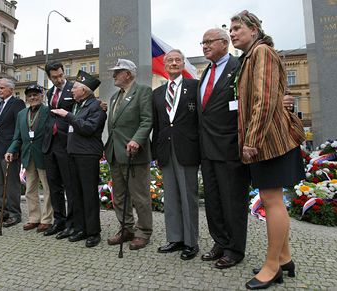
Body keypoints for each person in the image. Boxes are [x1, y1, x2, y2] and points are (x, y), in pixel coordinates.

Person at [230, 10, 305, 289]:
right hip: (267, 139)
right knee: (270, 198)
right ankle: (284, 258)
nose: (233, 33)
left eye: (238, 28)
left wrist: (252, 140)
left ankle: (272, 267)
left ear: (254, 30)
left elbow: (264, 100)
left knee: (272, 202)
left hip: (270, 141)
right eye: (231, 30)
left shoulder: (262, 53)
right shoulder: (251, 56)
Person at [197, 28, 251, 269]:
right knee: (213, 201)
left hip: (230, 148)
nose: (205, 46)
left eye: (209, 42)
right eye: (202, 43)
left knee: (232, 202)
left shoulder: (240, 67)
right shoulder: (206, 71)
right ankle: (220, 241)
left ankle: (234, 249)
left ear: (224, 43)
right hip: (207, 149)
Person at [152, 49, 200, 260]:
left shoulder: (195, 87)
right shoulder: (157, 93)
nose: (173, 63)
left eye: (177, 60)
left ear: (183, 63)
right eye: (169, 60)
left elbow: (200, 121)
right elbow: (157, 124)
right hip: (165, 149)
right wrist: (155, 152)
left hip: (187, 149)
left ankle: (191, 242)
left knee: (188, 198)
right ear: (165, 65)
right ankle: (175, 238)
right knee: (170, 197)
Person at [51, 70, 106, 248]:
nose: (71, 90)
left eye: (74, 87)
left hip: (88, 155)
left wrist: (68, 116)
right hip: (73, 153)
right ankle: (80, 228)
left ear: (85, 90)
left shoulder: (96, 107)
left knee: (89, 194)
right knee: (76, 193)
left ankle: (93, 232)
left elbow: (88, 128)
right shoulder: (77, 105)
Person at [105, 59, 153, 250]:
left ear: (128, 74)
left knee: (139, 195)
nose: (114, 75)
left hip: (134, 153)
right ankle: (126, 228)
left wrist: (137, 139)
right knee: (119, 196)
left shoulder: (142, 91)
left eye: (117, 72)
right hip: (116, 153)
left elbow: (147, 120)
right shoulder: (115, 97)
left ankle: (143, 231)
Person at [5, 84, 53, 233]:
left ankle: (46, 220)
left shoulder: (49, 111)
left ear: (42, 96)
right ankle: (34, 218)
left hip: (44, 155)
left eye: (36, 94)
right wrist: (11, 150)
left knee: (47, 189)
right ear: (26, 98)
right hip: (28, 155)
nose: (33, 97)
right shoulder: (21, 114)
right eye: (30, 95)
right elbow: (17, 137)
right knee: (30, 190)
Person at [41, 61, 75, 238]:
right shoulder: (50, 92)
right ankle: (59, 220)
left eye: (61, 75)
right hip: (50, 144)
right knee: (54, 186)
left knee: (69, 186)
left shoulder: (73, 88)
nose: (59, 79)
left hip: (66, 144)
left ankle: (71, 223)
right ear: (49, 77)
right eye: (54, 77)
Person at [0, 78, 26, 227]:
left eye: (2, 88)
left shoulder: (17, 104)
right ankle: (2, 211)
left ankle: (15, 213)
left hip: (9, 151)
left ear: (11, 89)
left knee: (11, 184)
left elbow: (20, 127)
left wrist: (15, 148)